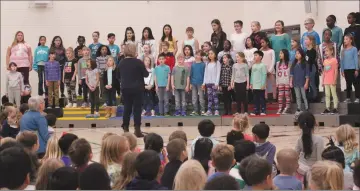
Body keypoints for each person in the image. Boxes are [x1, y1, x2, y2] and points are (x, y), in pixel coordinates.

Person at [118, 43, 149, 137]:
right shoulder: (138, 62)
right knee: (137, 109)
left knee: (127, 108)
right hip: (137, 88)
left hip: (125, 88)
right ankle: (137, 130)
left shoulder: (121, 63)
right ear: (134, 51)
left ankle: (126, 127)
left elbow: (118, 76)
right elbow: (146, 74)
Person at [295, 111, 324, 181]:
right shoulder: (319, 140)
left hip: (300, 170)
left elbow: (295, 156)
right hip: (313, 173)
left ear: (299, 125)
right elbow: (319, 160)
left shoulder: (299, 139)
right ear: (315, 123)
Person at [290, 48, 310, 114]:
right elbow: (291, 74)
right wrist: (291, 82)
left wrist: (306, 83)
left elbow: (307, 74)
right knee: (297, 96)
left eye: (298, 53)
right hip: (295, 83)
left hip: (303, 83)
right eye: (296, 53)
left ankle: (307, 108)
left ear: (302, 54)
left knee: (304, 96)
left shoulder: (305, 63)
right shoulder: (294, 64)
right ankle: (299, 108)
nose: (297, 55)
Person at [341, 34, 359, 103]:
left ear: (351, 40)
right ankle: (348, 98)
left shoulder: (354, 49)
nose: (345, 40)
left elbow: (355, 59)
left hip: (353, 69)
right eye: (344, 39)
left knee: (355, 84)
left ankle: (357, 97)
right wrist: (342, 70)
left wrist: (356, 69)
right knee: (348, 84)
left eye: (346, 39)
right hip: (346, 70)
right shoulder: (343, 50)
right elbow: (342, 60)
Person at [321, 46, 339, 114]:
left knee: (334, 94)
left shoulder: (334, 60)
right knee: (327, 95)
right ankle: (327, 108)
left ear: (332, 51)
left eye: (327, 51)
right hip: (326, 80)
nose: (326, 52)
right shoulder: (325, 61)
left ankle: (335, 108)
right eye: (325, 51)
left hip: (332, 80)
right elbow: (324, 71)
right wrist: (322, 81)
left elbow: (336, 71)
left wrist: (335, 80)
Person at [203, 49, 221, 116]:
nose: (210, 55)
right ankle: (209, 110)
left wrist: (216, 83)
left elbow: (218, 73)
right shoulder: (207, 63)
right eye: (209, 54)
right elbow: (205, 73)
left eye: (212, 53)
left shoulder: (217, 63)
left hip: (214, 83)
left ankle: (216, 110)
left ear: (215, 55)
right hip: (208, 83)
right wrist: (204, 83)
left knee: (215, 96)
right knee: (209, 97)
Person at [250, 50, 267, 116]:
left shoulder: (262, 65)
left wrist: (263, 84)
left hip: (260, 85)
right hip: (255, 85)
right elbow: (252, 75)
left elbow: (264, 75)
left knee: (261, 98)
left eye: (256, 55)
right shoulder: (253, 66)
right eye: (254, 55)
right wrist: (251, 83)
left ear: (260, 57)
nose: (254, 56)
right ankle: (256, 110)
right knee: (255, 98)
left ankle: (263, 110)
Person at [190, 50, 206, 116]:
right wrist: (190, 83)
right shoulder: (193, 65)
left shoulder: (203, 65)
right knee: (194, 97)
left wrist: (204, 83)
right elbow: (191, 74)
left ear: (201, 56)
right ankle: (195, 110)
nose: (197, 56)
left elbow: (205, 74)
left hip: (201, 83)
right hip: (193, 83)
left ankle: (202, 110)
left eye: (199, 55)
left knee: (201, 97)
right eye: (196, 54)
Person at [304, 35, 319, 102]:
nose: (305, 41)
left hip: (312, 68)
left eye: (307, 39)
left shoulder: (313, 51)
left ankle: (315, 96)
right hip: (307, 69)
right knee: (308, 83)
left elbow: (311, 60)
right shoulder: (305, 51)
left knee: (312, 83)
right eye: (305, 39)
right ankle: (309, 96)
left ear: (311, 41)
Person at [276, 49, 291, 114]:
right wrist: (277, 82)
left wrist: (290, 82)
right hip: (280, 81)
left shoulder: (289, 63)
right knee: (280, 95)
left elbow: (291, 74)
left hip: (287, 81)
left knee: (287, 95)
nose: (280, 55)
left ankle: (287, 108)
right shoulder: (277, 63)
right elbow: (277, 73)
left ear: (285, 54)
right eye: (279, 53)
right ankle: (280, 108)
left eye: (281, 53)